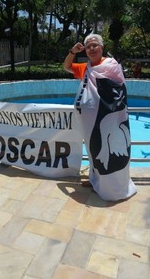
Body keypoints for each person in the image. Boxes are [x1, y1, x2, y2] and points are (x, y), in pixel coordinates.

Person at [63, 33, 137, 201]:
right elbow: (66, 66)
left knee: (110, 150)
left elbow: (118, 94)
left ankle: (114, 187)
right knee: (94, 150)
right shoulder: (85, 67)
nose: (91, 49)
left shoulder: (111, 66)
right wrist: (72, 51)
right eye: (88, 46)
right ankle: (95, 179)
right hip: (90, 121)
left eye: (95, 45)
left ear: (102, 47)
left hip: (110, 120)